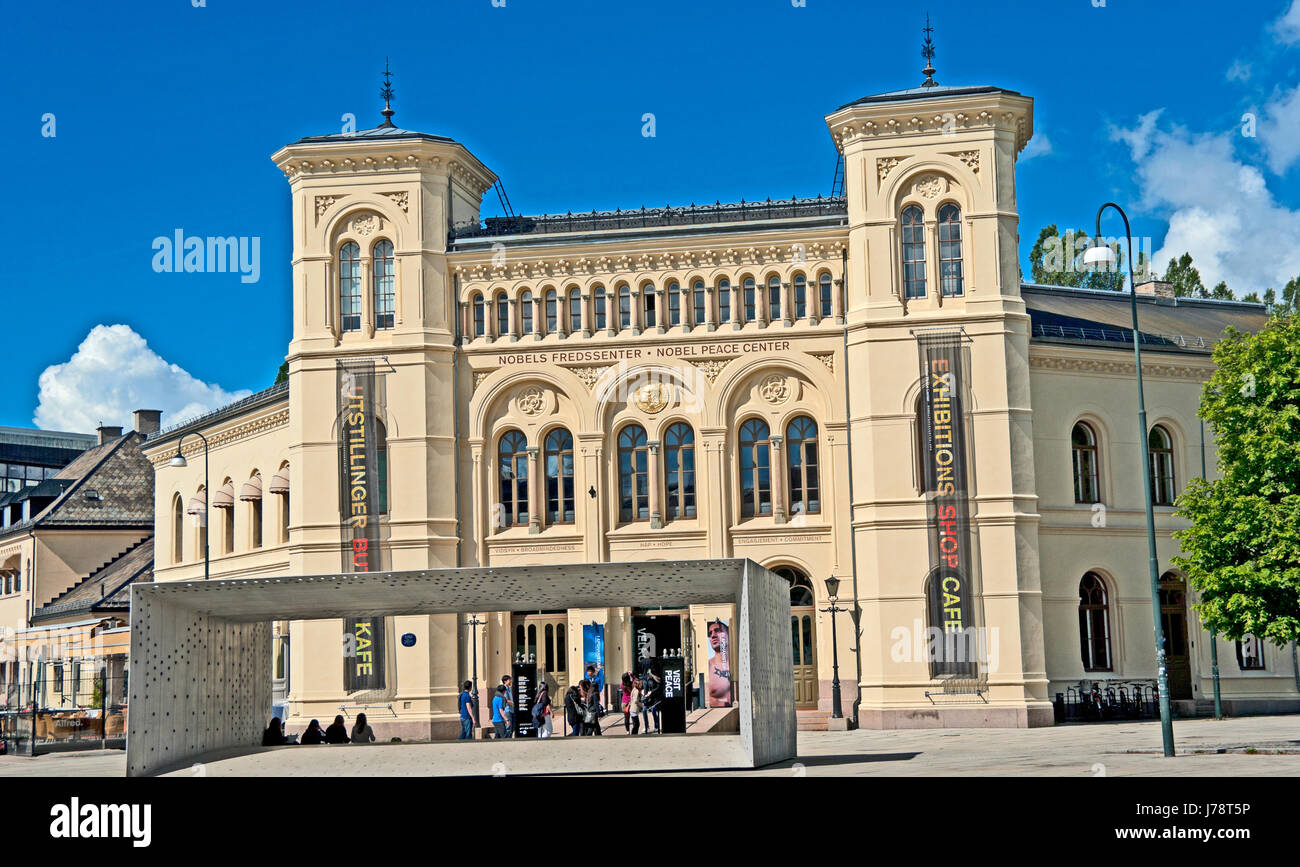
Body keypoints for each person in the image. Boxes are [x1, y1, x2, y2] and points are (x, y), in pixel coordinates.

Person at [707, 620, 733, 706]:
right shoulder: (709, 666)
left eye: (717, 631)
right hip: (716, 713)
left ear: (729, 635)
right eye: (710, 633)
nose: (712, 636)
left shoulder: (737, 664)